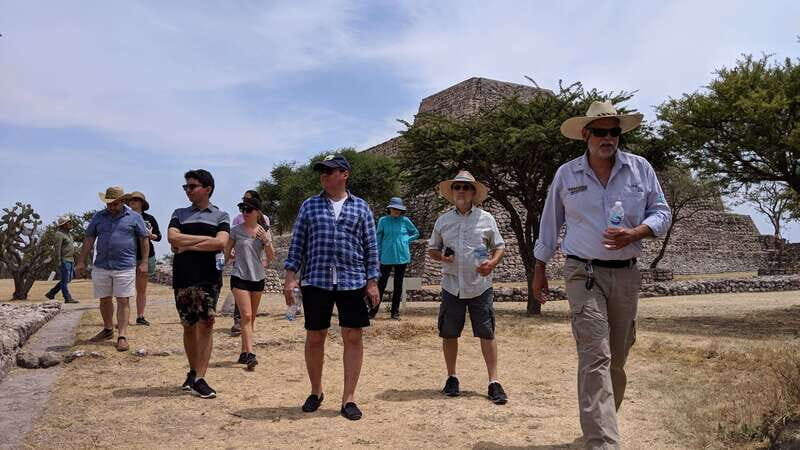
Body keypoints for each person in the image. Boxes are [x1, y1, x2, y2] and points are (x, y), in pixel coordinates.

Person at [533, 100, 672, 448]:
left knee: (618, 357)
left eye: (614, 132)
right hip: (584, 273)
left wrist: (637, 232)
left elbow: (662, 213)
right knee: (595, 355)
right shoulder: (567, 174)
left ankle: (600, 426)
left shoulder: (641, 169)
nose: (608, 138)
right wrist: (539, 268)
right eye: (600, 131)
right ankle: (603, 443)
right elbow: (551, 223)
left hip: (626, 274)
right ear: (586, 134)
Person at [283, 154, 380, 421]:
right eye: (322, 172)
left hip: (352, 280)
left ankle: (349, 398)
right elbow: (297, 243)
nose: (324, 175)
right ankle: (316, 391)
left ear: (345, 174)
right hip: (316, 279)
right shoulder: (309, 206)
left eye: (330, 171)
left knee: (353, 336)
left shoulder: (361, 208)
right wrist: (290, 276)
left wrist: (372, 281)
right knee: (315, 336)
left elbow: (371, 247)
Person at [427, 170, 508, 405]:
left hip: (480, 286)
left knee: (487, 332)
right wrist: (442, 257)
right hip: (452, 285)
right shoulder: (443, 221)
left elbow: (499, 246)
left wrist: (492, 262)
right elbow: (433, 249)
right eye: (457, 187)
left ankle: (494, 381)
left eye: (465, 187)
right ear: (452, 193)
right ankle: (452, 377)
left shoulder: (486, 219)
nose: (461, 191)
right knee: (449, 333)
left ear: (474, 192)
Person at [168, 170, 230, 399]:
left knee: (206, 325)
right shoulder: (179, 214)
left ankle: (201, 378)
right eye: (186, 187)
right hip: (183, 277)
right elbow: (173, 238)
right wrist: (206, 241)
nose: (188, 190)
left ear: (207, 189)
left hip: (208, 277)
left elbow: (221, 243)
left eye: (192, 186)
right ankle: (193, 372)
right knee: (188, 325)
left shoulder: (221, 215)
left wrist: (188, 244)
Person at [76, 186, 149, 352]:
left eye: (115, 204)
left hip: (124, 266)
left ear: (122, 201)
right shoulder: (98, 217)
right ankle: (108, 329)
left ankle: (122, 335)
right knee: (105, 299)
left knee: (123, 300)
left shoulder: (134, 217)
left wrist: (144, 261)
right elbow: (89, 238)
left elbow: (144, 239)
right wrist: (81, 261)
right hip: (101, 265)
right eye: (108, 204)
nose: (111, 207)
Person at [224, 196, 275, 370]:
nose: (244, 213)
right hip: (239, 277)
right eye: (242, 209)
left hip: (258, 278)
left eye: (248, 210)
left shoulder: (264, 231)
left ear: (257, 212)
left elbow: (271, 257)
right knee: (245, 315)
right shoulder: (235, 230)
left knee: (251, 317)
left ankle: (244, 352)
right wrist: (228, 257)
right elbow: (226, 250)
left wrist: (266, 242)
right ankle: (251, 355)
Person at [370, 197, 419, 320]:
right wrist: (378, 254)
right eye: (395, 209)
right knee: (381, 284)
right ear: (390, 209)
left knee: (398, 285)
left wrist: (406, 239)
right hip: (386, 257)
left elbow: (416, 233)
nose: (397, 211)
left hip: (402, 257)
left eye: (399, 209)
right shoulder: (383, 221)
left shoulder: (405, 220)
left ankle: (395, 313)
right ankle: (372, 311)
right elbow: (378, 238)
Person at [230, 189, 270, 336]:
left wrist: (266, 246)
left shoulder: (264, 222)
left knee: (251, 316)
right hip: (239, 268)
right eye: (243, 204)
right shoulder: (236, 223)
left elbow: (269, 249)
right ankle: (238, 321)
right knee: (245, 312)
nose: (245, 209)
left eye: (249, 201)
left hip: (257, 271)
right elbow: (228, 246)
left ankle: (247, 341)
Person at [124, 191, 161, 326]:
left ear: (142, 203)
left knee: (141, 289)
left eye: (136, 199)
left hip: (145, 255)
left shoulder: (149, 218)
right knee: (125, 288)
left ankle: (140, 316)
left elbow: (159, 236)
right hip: (128, 255)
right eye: (131, 200)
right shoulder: (124, 217)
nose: (132, 201)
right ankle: (124, 317)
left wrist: (151, 236)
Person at [45, 216, 79, 303]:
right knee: (65, 280)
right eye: (68, 222)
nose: (70, 224)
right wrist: (58, 261)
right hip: (64, 260)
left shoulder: (69, 234)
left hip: (70, 260)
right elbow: (57, 249)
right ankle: (67, 298)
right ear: (63, 225)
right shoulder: (59, 234)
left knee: (68, 279)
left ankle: (51, 293)